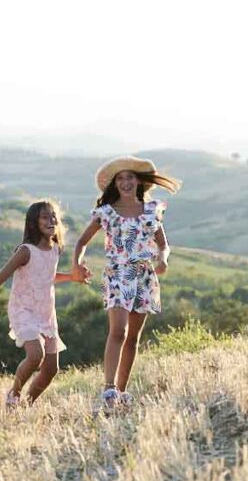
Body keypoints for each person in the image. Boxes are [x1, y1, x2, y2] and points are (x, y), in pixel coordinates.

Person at [74, 156, 181, 409]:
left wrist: (163, 259)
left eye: (130, 177)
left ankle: (121, 392)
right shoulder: (107, 213)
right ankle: (109, 389)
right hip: (117, 275)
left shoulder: (151, 210)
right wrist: (77, 264)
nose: (125, 182)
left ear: (138, 181)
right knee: (118, 331)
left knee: (133, 337)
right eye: (120, 178)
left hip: (144, 276)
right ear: (114, 183)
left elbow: (163, 244)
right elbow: (81, 242)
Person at [0, 201, 89, 405]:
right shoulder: (26, 251)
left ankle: (27, 404)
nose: (51, 220)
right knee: (36, 355)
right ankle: (14, 394)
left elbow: (47, 276)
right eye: (45, 217)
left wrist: (72, 277)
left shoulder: (54, 249)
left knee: (51, 369)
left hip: (46, 313)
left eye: (53, 216)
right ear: (34, 223)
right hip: (23, 310)